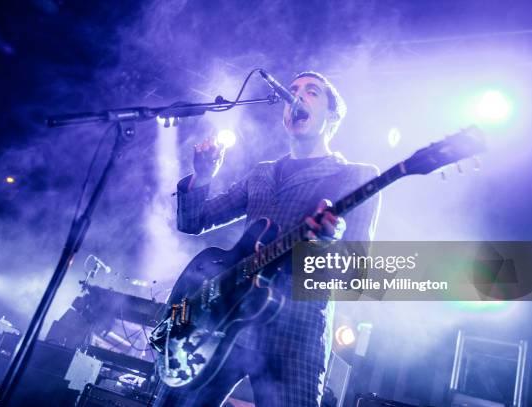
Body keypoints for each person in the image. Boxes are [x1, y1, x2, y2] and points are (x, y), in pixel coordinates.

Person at [154, 71, 381, 407]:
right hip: (224, 319)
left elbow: (355, 275)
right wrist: (203, 176)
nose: (297, 97)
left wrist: (328, 241)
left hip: (295, 331)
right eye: (292, 91)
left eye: (312, 92)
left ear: (332, 116)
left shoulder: (356, 176)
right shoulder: (262, 171)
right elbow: (193, 221)